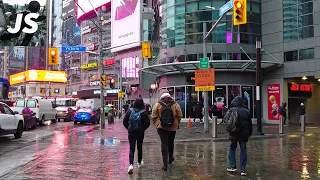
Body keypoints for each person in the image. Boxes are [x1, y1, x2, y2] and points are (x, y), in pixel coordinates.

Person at [152, 92, 182, 171]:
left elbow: (154, 116)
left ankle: (165, 164)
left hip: (162, 128)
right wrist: (176, 123)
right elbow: (179, 115)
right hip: (173, 128)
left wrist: (158, 124)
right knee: (171, 142)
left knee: (164, 144)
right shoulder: (175, 105)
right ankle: (170, 157)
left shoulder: (157, 105)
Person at [225, 96, 252, 176]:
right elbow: (250, 125)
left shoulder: (231, 110)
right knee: (243, 151)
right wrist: (249, 134)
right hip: (243, 134)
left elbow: (226, 121)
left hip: (233, 133)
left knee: (232, 148)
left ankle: (233, 166)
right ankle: (243, 170)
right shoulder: (246, 111)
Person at [123, 98, 150, 174]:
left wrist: (128, 128)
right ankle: (139, 163)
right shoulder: (143, 112)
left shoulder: (129, 111)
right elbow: (148, 123)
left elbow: (124, 121)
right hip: (140, 132)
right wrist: (143, 128)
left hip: (131, 132)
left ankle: (131, 165)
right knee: (139, 146)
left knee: (132, 148)